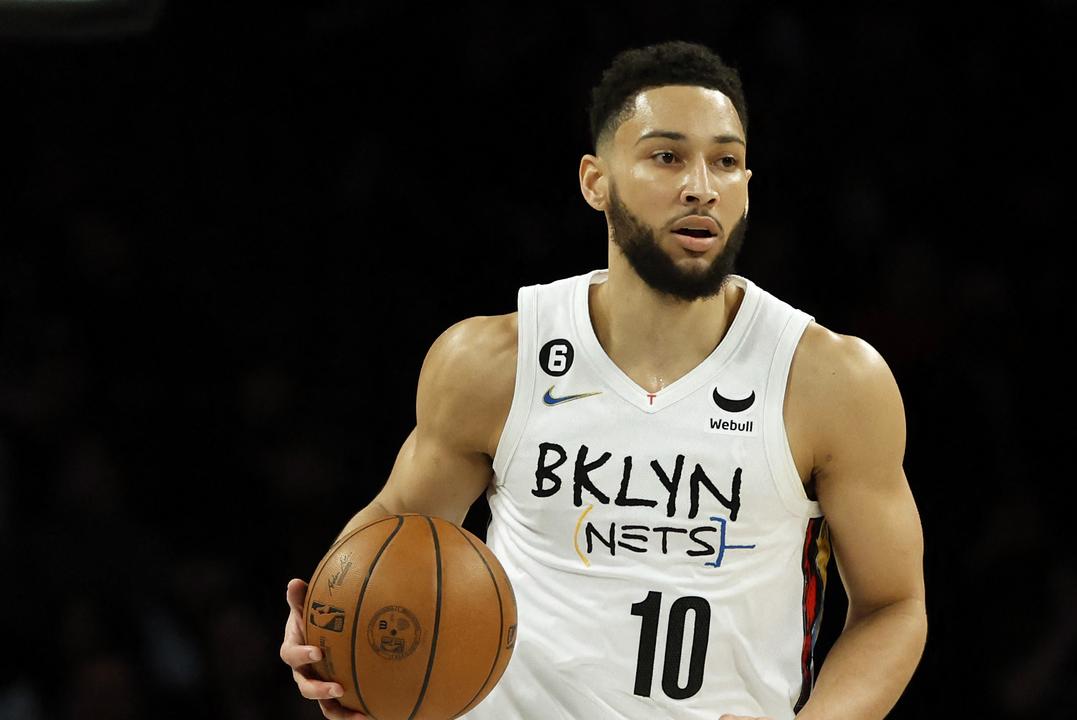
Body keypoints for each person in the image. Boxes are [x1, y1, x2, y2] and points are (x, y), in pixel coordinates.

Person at [280, 40, 926, 720]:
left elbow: (893, 606)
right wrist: (328, 627)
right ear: (596, 181)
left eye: (726, 161)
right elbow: (396, 521)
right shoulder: (494, 361)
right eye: (667, 155)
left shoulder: (828, 380)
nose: (701, 184)